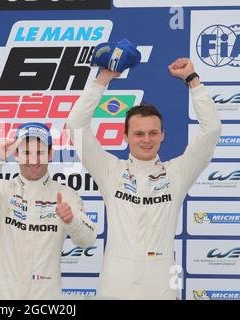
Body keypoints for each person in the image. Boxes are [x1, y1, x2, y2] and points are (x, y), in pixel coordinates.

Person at [66, 58, 221, 299]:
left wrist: (193, 80)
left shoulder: (178, 172)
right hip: (115, 285)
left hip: (160, 285)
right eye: (138, 133)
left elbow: (211, 130)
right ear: (125, 136)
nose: (146, 140)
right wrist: (103, 79)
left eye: (153, 133)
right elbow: (75, 125)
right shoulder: (109, 169)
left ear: (163, 136)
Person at [0, 123, 97, 299]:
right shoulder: (2, 191)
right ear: (16, 154)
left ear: (50, 154)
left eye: (40, 152)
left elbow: (88, 240)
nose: (33, 160)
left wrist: (72, 221)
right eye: (26, 153)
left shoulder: (66, 195)